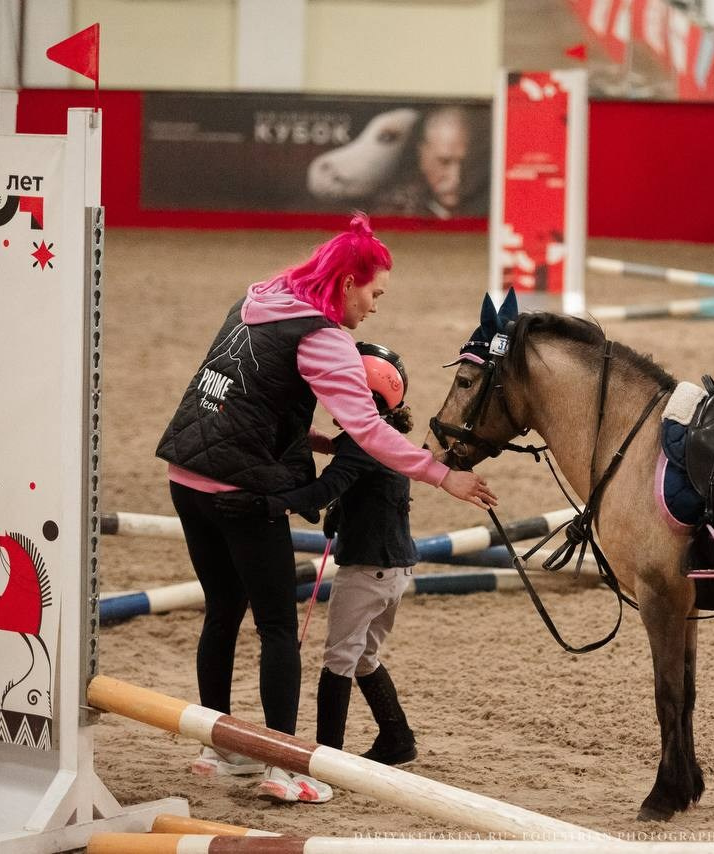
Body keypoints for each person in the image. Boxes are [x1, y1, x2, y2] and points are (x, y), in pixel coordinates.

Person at [155, 213, 495, 804]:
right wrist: (444, 476)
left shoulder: (258, 298)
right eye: (374, 292)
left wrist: (308, 440)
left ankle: (219, 748)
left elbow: (254, 394)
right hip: (241, 495)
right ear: (346, 283)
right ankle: (284, 768)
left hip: (185, 475)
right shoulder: (325, 337)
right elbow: (368, 430)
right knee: (279, 628)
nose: (375, 307)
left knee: (222, 610)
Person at [222, 342, 421, 767]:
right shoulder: (381, 434)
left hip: (367, 570)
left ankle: (326, 759)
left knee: (338, 660)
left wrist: (272, 505)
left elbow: (327, 486)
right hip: (395, 567)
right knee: (364, 656)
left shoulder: (362, 442)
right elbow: (353, 471)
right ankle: (397, 739)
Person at [378, 106, 488, 219]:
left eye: (465, 163)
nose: (456, 177)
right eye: (444, 162)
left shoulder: (486, 205)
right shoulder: (397, 210)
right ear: (422, 155)